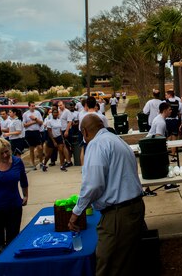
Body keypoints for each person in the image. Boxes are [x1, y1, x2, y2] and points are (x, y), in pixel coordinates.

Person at [69, 114, 144, 276]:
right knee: (126, 263)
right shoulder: (117, 140)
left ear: (85, 131)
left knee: (108, 265)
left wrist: (77, 211)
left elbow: (93, 184)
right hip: (133, 208)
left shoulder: (96, 144)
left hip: (118, 215)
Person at [41, 107, 67, 172]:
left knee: (61, 151)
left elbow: (60, 130)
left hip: (59, 137)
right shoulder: (49, 121)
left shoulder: (59, 121)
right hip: (52, 138)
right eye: (54, 113)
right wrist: (54, 141)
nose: (55, 114)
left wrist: (62, 138)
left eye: (56, 113)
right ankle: (44, 164)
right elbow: (49, 132)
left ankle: (62, 165)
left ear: (58, 114)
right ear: (52, 114)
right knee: (49, 154)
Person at [22, 102, 44, 170]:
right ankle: (33, 163)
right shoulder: (25, 114)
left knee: (39, 147)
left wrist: (35, 119)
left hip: (36, 131)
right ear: (29, 106)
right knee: (31, 149)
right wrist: (33, 122)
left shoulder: (37, 113)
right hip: (29, 132)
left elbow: (41, 122)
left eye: (34, 106)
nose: (33, 107)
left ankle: (41, 162)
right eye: (32, 106)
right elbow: (24, 125)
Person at [164, 90, 182, 162]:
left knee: (166, 138)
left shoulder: (164, 102)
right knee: (174, 139)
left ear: (169, 95)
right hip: (175, 121)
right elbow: (181, 112)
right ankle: (173, 156)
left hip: (167, 121)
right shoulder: (178, 102)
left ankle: (165, 156)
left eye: (166, 95)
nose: (166, 96)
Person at [64, 102, 82, 166]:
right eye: (70, 106)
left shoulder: (77, 113)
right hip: (69, 129)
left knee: (75, 145)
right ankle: (68, 159)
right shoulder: (67, 113)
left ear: (74, 106)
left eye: (72, 106)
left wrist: (75, 123)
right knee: (68, 145)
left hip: (76, 129)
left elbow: (79, 121)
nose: (71, 107)